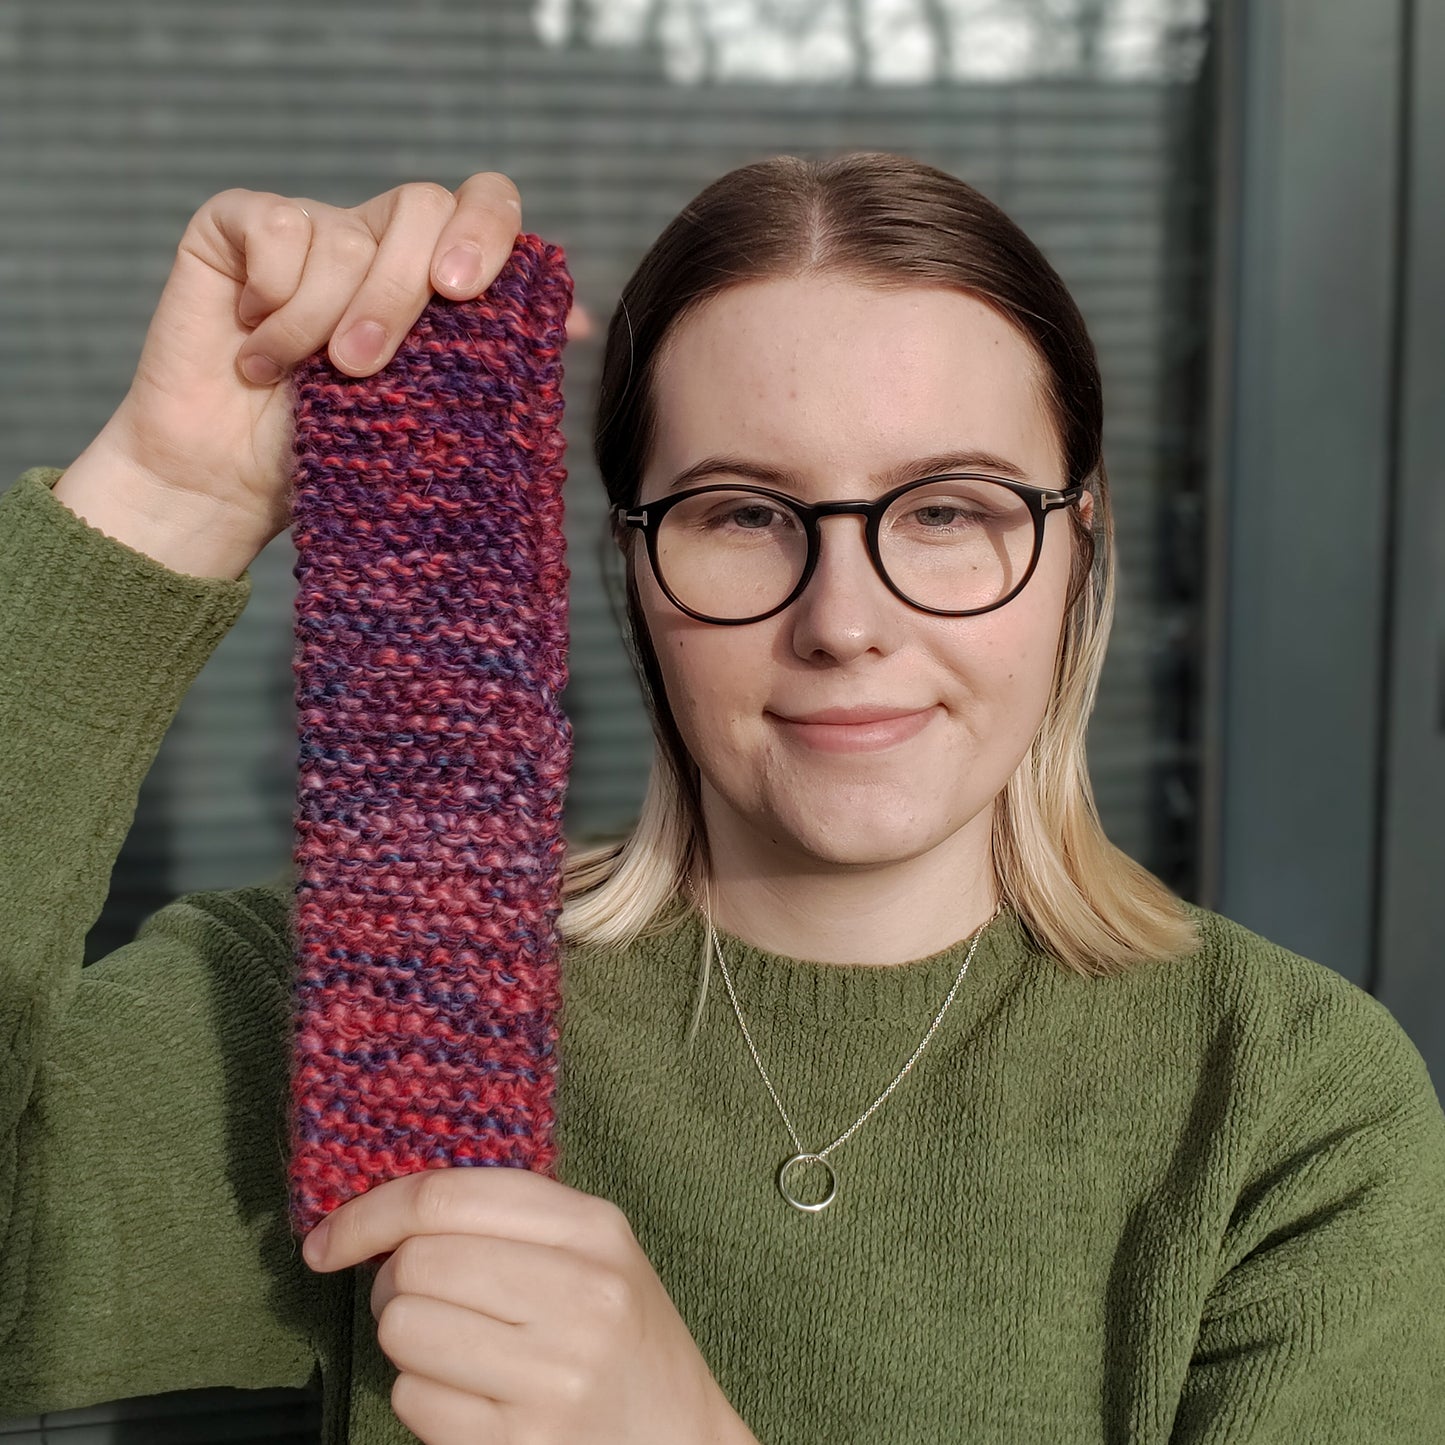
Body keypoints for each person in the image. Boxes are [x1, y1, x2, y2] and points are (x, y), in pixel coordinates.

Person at [2, 152, 1442, 1445]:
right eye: (743, 514)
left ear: (1076, 550)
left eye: (946, 510)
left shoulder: (1285, 1101)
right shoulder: (382, 998)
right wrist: (166, 497)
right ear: (627, 564)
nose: (844, 620)